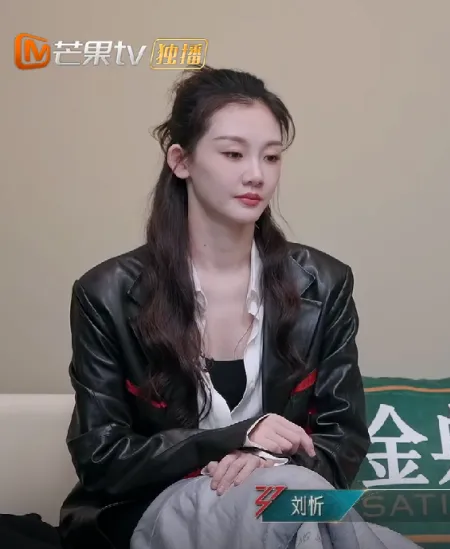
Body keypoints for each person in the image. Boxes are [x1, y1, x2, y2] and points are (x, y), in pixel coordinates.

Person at [58, 67, 420, 549]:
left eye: (271, 156)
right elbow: (101, 459)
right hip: (153, 507)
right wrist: (239, 437)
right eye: (233, 154)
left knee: (292, 501)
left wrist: (264, 462)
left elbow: (343, 440)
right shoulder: (106, 293)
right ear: (181, 161)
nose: (256, 174)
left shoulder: (325, 284)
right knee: (297, 504)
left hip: (287, 499)